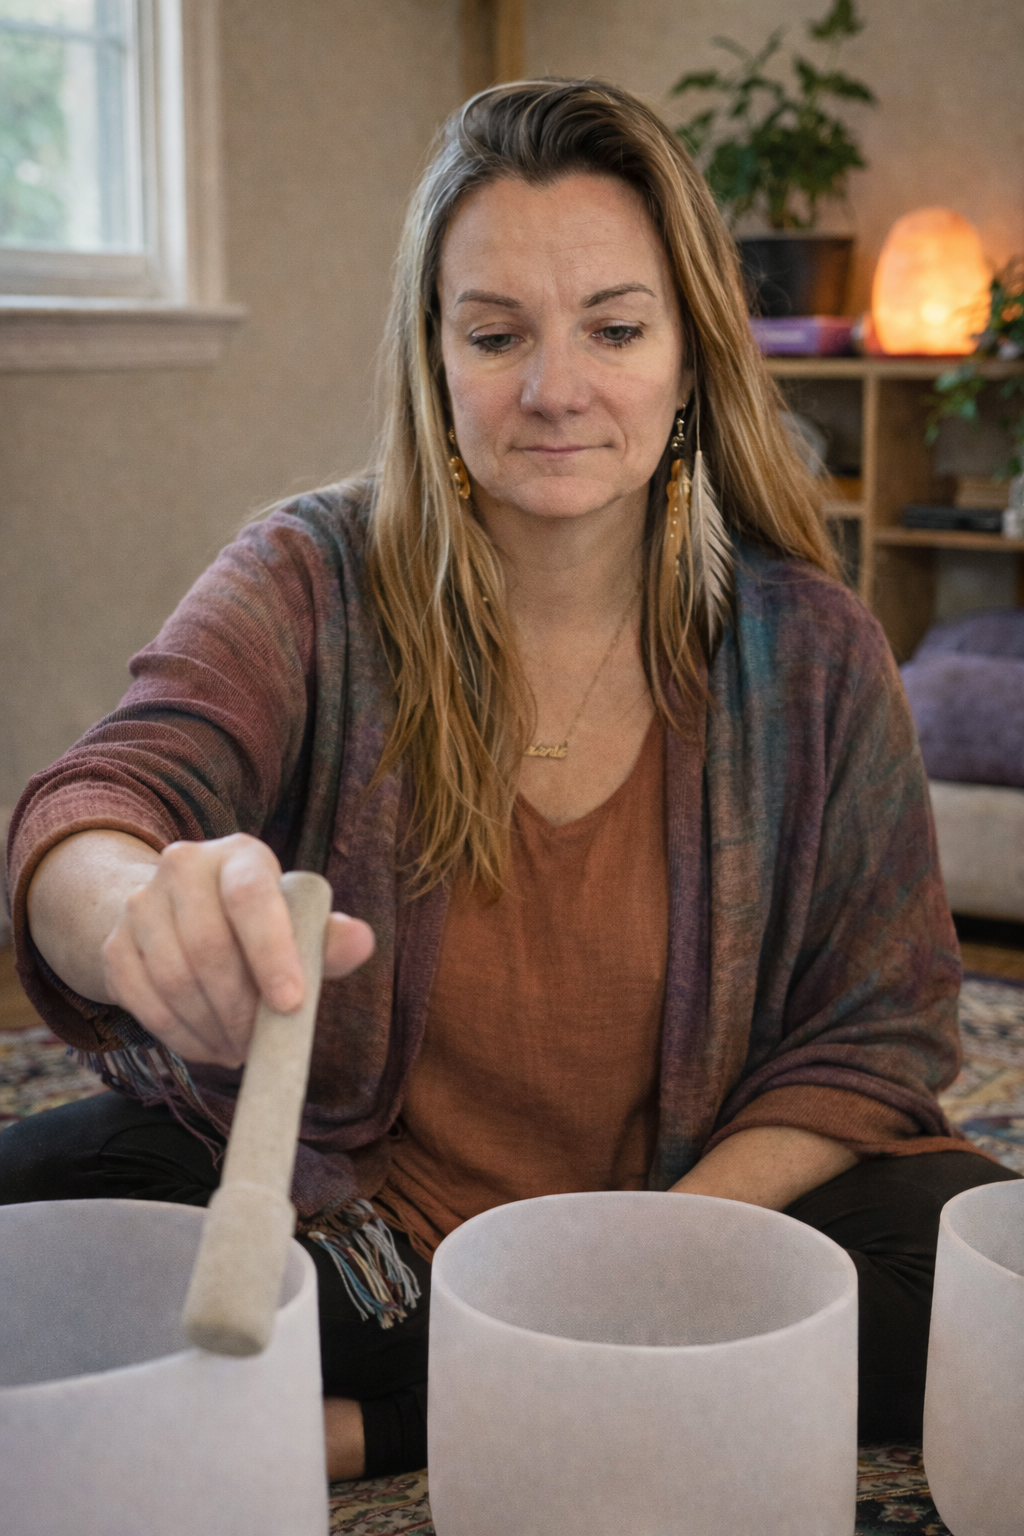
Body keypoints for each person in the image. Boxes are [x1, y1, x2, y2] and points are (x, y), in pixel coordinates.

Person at [2, 80, 1016, 1480]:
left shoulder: (812, 648)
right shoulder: (308, 577)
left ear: (688, 358)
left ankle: (373, 1427)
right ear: (433, 355)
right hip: (371, 1237)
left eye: (614, 327)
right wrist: (130, 910)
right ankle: (526, 1392)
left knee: (969, 1286)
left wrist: (642, 1262)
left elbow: (885, 1025)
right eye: (495, 334)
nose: (555, 389)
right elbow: (98, 802)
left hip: (685, 1214)